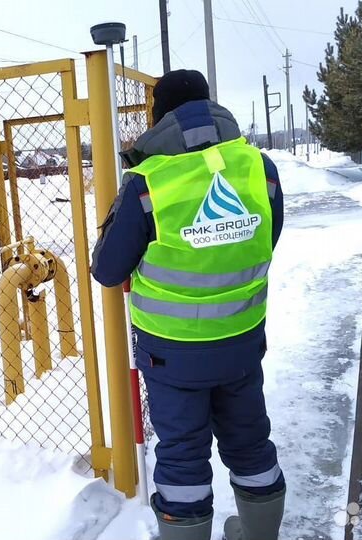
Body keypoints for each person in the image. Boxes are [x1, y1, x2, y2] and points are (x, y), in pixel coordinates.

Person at [91, 69, 286, 540]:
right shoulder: (258, 167)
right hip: (241, 341)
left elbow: (107, 269)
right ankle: (260, 533)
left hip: (172, 352)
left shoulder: (146, 182)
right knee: (250, 440)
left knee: (181, 454)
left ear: (160, 117)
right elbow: (268, 234)